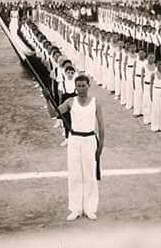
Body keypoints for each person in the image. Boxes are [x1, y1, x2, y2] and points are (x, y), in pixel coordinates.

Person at [53, 75, 105, 221]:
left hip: (90, 140)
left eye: (83, 85)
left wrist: (101, 146)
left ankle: (90, 208)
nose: (81, 88)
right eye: (78, 86)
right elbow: (54, 113)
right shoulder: (70, 102)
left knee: (90, 175)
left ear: (88, 86)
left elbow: (101, 127)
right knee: (75, 175)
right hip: (74, 140)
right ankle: (75, 209)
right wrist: (47, 98)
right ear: (75, 87)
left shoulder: (95, 103)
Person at [149, 60, 161, 132]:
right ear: (156, 66)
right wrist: (151, 94)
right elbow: (151, 85)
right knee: (156, 109)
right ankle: (155, 126)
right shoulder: (153, 74)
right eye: (159, 64)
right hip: (156, 91)